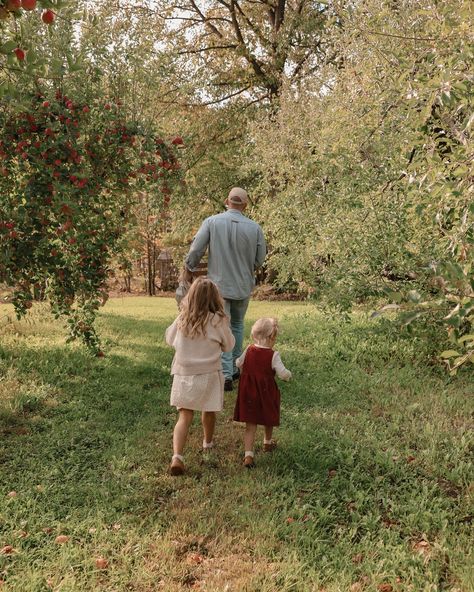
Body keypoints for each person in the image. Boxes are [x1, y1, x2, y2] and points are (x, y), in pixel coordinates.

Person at [184, 187, 266, 392]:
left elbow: (196, 249)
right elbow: (260, 259)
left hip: (218, 287)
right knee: (237, 325)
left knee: (221, 326)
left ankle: (226, 374)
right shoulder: (255, 228)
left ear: (226, 201)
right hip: (243, 284)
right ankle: (236, 369)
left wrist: (189, 267)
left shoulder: (212, 222)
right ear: (245, 205)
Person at [165, 277, 235, 476]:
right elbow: (229, 345)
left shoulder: (182, 319)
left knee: (184, 416)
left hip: (184, 374)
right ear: (215, 298)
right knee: (208, 411)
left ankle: (177, 456)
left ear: (191, 297)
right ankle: (208, 443)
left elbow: (169, 339)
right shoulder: (218, 320)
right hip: (208, 376)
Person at [233, 317, 292, 468]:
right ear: (272, 337)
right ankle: (267, 442)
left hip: (249, 392)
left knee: (250, 425)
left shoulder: (249, 349)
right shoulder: (273, 355)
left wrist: (245, 372)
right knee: (268, 417)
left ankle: (248, 455)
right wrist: (288, 376)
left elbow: (238, 362)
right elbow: (282, 373)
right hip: (266, 392)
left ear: (254, 335)